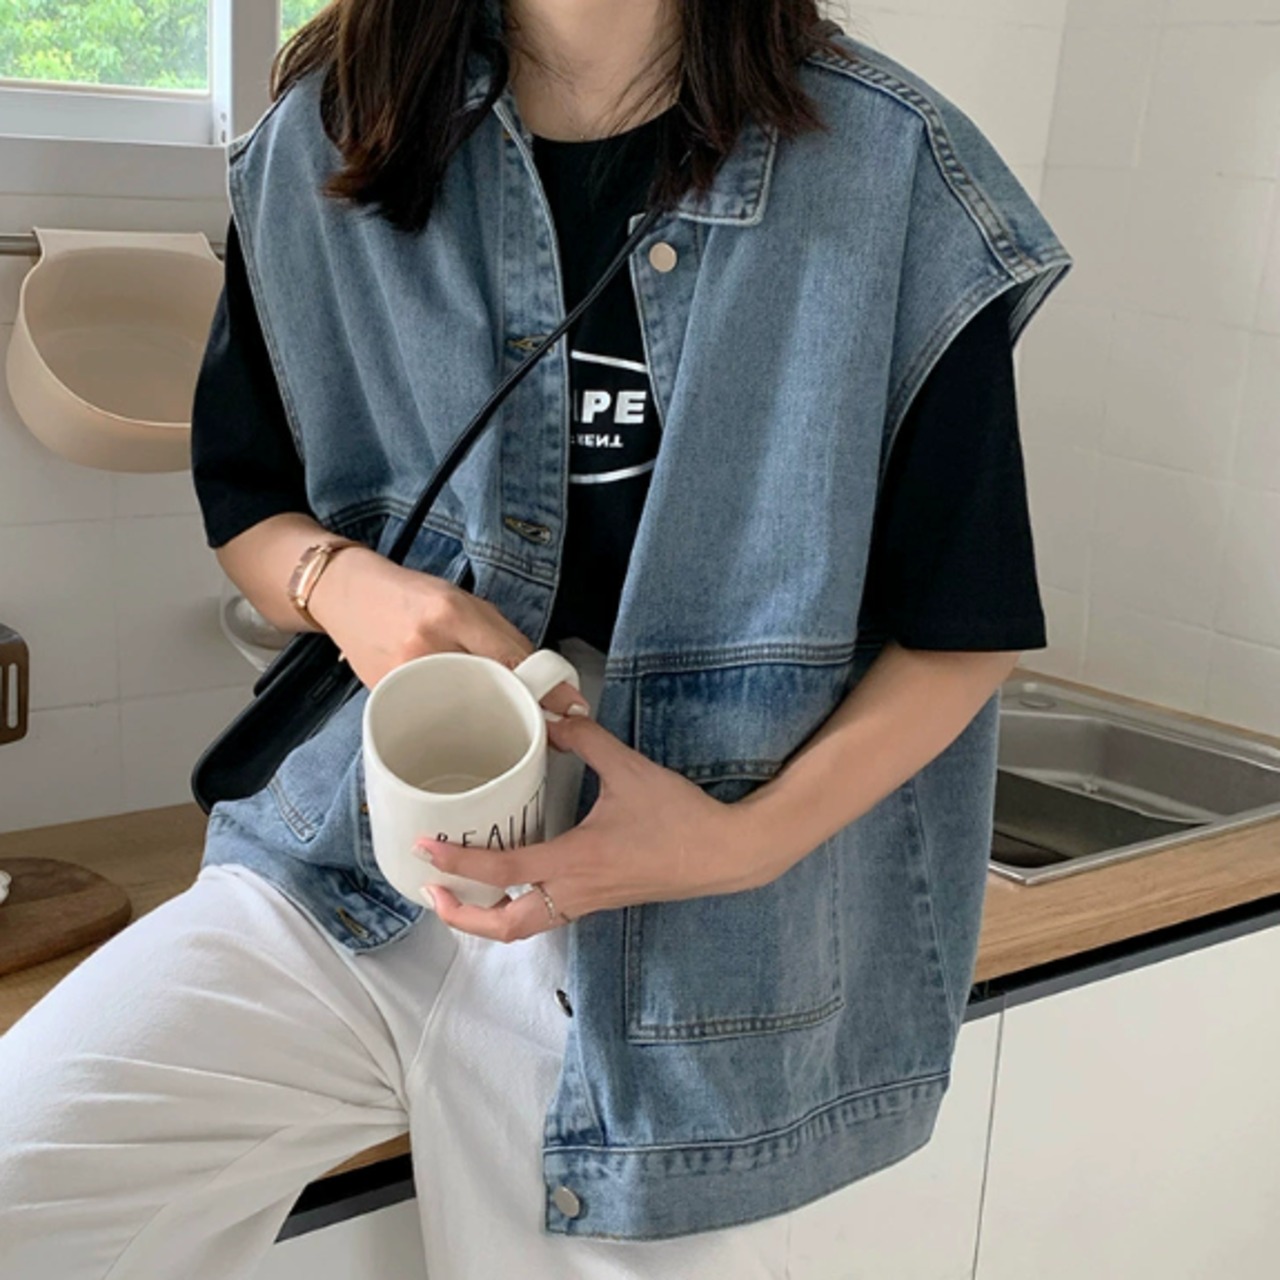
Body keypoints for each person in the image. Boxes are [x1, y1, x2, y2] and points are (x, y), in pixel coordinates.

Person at [0, 0, 1072, 1276]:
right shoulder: (330, 134)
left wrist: (737, 844)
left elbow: (962, 630)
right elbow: (249, 507)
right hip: (346, 870)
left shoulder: (890, 167)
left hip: (686, 955)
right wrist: (346, 585)